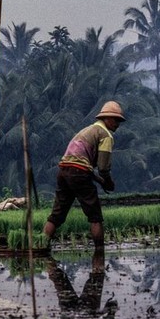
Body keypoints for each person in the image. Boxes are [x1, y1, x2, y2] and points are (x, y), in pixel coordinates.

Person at [43, 101, 125, 250]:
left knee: (57, 214)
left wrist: (101, 181)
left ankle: (40, 246)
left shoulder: (87, 130)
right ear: (106, 118)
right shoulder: (105, 135)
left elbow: (82, 165)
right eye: (115, 119)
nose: (117, 124)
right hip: (78, 173)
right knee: (95, 216)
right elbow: (103, 168)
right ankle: (100, 251)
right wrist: (108, 182)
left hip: (64, 171)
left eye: (119, 120)